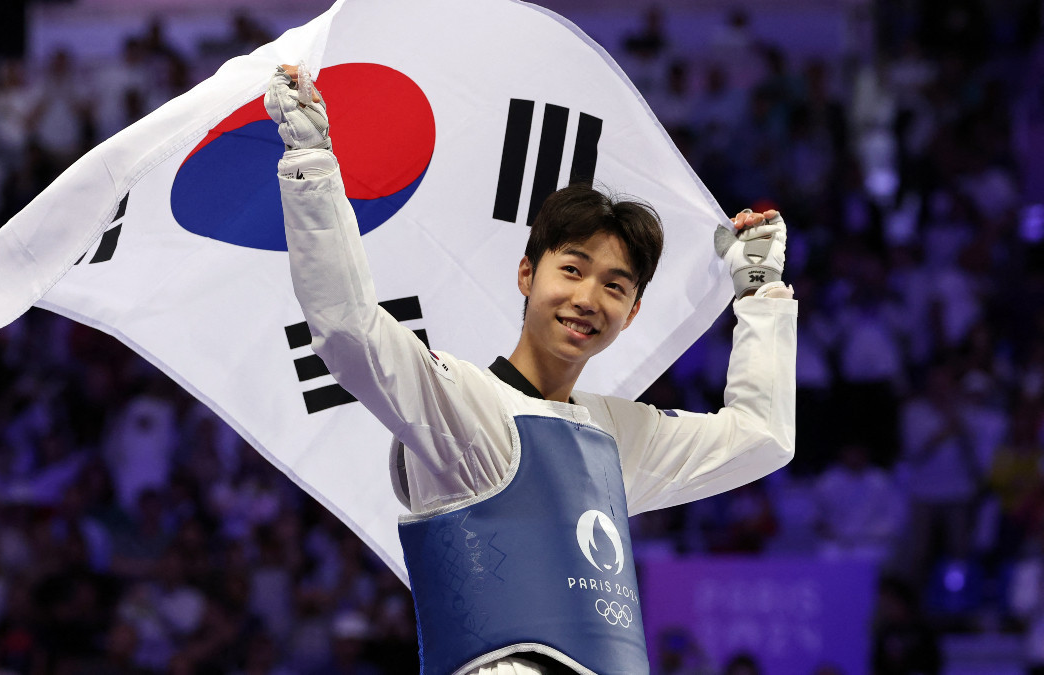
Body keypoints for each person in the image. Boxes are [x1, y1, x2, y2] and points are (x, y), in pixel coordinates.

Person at [267, 65, 796, 675]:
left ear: (631, 312)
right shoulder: (463, 405)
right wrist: (311, 164)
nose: (588, 298)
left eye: (614, 286)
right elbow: (347, 328)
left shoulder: (620, 438)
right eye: (572, 269)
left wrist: (760, 293)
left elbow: (761, 438)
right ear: (527, 274)